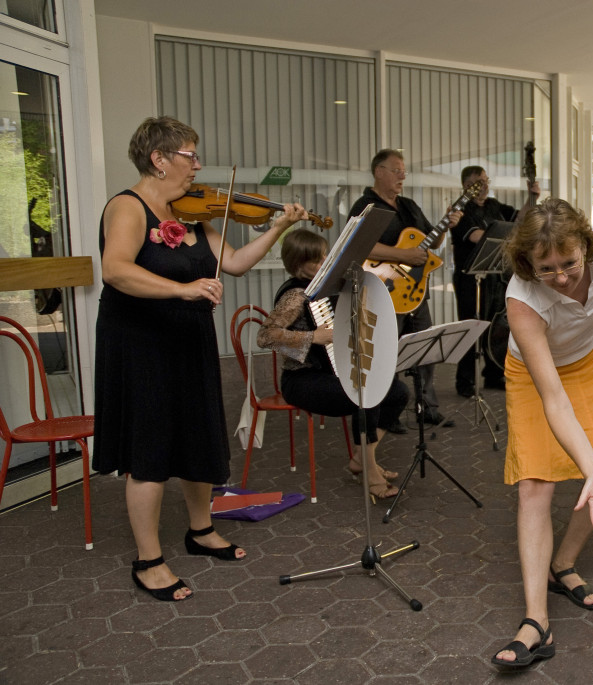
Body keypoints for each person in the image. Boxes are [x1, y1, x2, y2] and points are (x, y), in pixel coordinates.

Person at [93, 116, 311, 602]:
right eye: (189, 155)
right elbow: (115, 270)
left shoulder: (192, 212)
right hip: (141, 343)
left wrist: (278, 227)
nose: (197, 165)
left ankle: (200, 529)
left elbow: (232, 263)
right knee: (148, 450)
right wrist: (183, 289)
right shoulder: (126, 208)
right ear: (159, 159)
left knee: (197, 433)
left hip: (188, 340)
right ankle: (148, 560)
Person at [491, 198, 593, 670]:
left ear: (587, 249)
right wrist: (584, 468)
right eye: (546, 268)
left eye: (569, 263)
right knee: (536, 484)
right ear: (528, 263)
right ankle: (537, 621)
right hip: (538, 376)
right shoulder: (522, 299)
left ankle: (563, 563)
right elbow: (554, 399)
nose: (562, 276)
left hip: (592, 360)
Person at [256, 229, 410, 500]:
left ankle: (363, 458)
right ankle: (369, 469)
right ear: (297, 264)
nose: (324, 262)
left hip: (331, 374)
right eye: (316, 260)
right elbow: (265, 336)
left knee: (397, 392)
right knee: (365, 394)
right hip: (301, 379)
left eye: (324, 256)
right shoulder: (295, 295)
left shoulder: (323, 287)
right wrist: (314, 337)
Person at [348, 149, 462, 428]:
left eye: (404, 172)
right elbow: (358, 244)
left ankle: (428, 407)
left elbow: (430, 242)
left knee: (426, 347)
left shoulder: (408, 205)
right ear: (379, 172)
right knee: (387, 351)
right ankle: (390, 413)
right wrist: (403, 256)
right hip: (383, 290)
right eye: (396, 170)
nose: (402, 176)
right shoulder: (366, 206)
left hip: (414, 291)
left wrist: (445, 226)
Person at [451, 165, 540, 397]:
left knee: (494, 328)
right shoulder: (461, 209)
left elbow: (520, 219)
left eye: (486, 180)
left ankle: (492, 375)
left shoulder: (494, 206)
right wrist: (508, 235)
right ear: (467, 186)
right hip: (470, 277)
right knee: (471, 326)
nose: (485, 186)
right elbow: (477, 236)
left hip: (494, 277)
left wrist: (533, 197)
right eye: (480, 182)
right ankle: (465, 381)